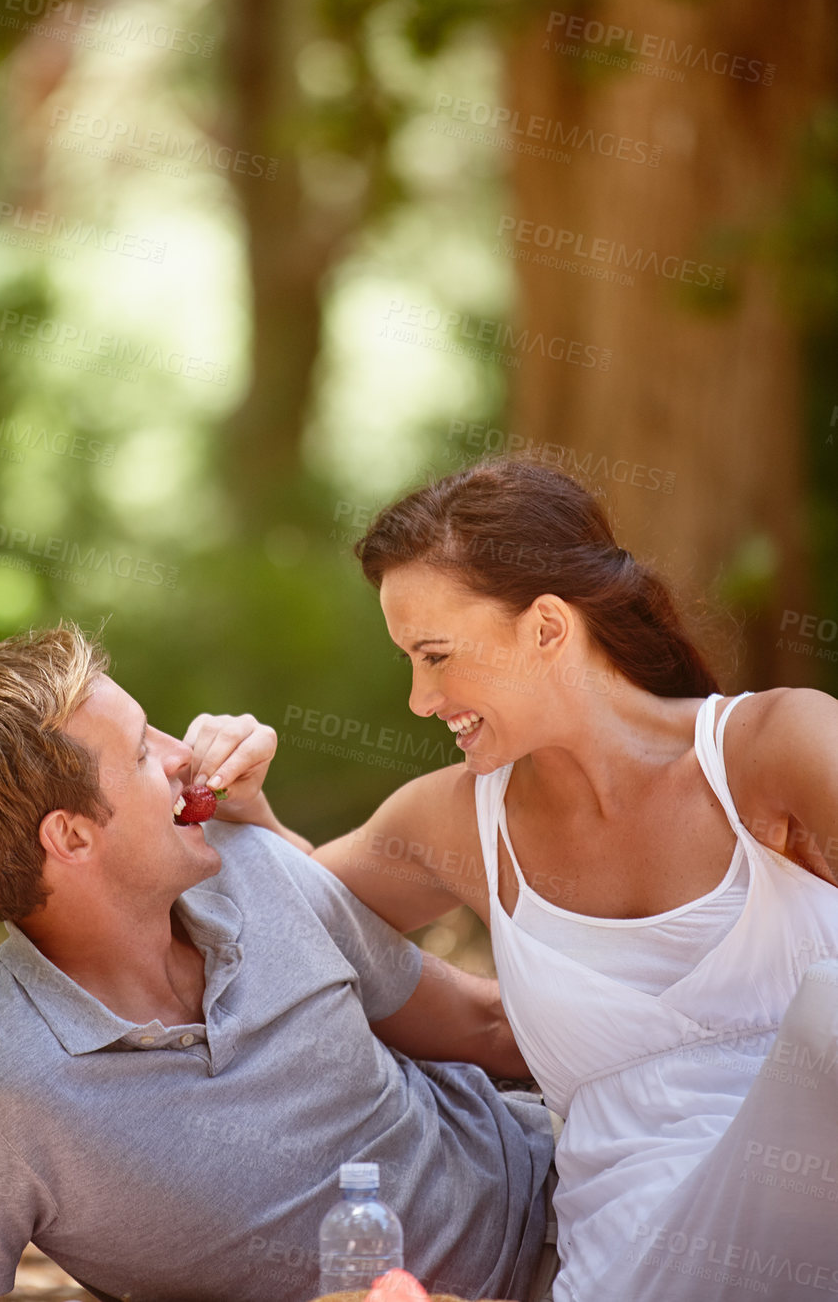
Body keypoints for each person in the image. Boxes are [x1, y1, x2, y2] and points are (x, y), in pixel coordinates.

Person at [275, 458, 838, 1302]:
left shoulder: (775, 750)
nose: (420, 699)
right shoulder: (457, 822)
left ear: (546, 628)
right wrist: (241, 803)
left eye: (435, 657)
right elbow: (291, 912)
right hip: (633, 1266)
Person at [0, 625, 557, 1302]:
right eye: (145, 750)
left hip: (572, 1194)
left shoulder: (252, 863)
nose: (185, 756)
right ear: (71, 836)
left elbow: (486, 1026)